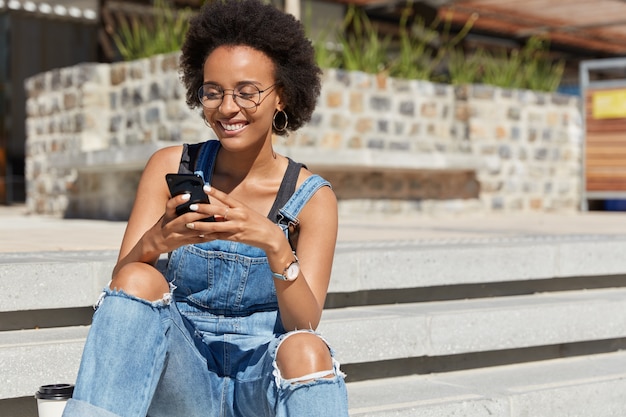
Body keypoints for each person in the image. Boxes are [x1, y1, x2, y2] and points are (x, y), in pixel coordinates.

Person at [61, 0, 349, 416]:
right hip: (183, 378)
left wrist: (275, 245)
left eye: (247, 92)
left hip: (259, 383)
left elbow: (304, 322)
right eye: (213, 92)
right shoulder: (169, 167)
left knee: (307, 349)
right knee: (139, 278)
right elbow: (124, 288)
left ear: (281, 96)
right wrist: (157, 240)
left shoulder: (312, 198)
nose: (227, 108)